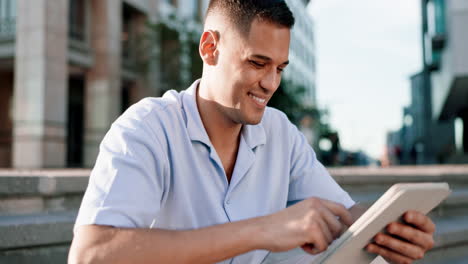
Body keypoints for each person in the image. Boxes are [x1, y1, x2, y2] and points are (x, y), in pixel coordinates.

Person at [68, 1, 436, 263]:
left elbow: (345, 214)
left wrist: (393, 231)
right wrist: (262, 230)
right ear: (209, 48)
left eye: (280, 68)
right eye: (257, 63)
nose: (270, 83)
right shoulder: (146, 128)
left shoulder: (280, 132)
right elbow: (91, 255)